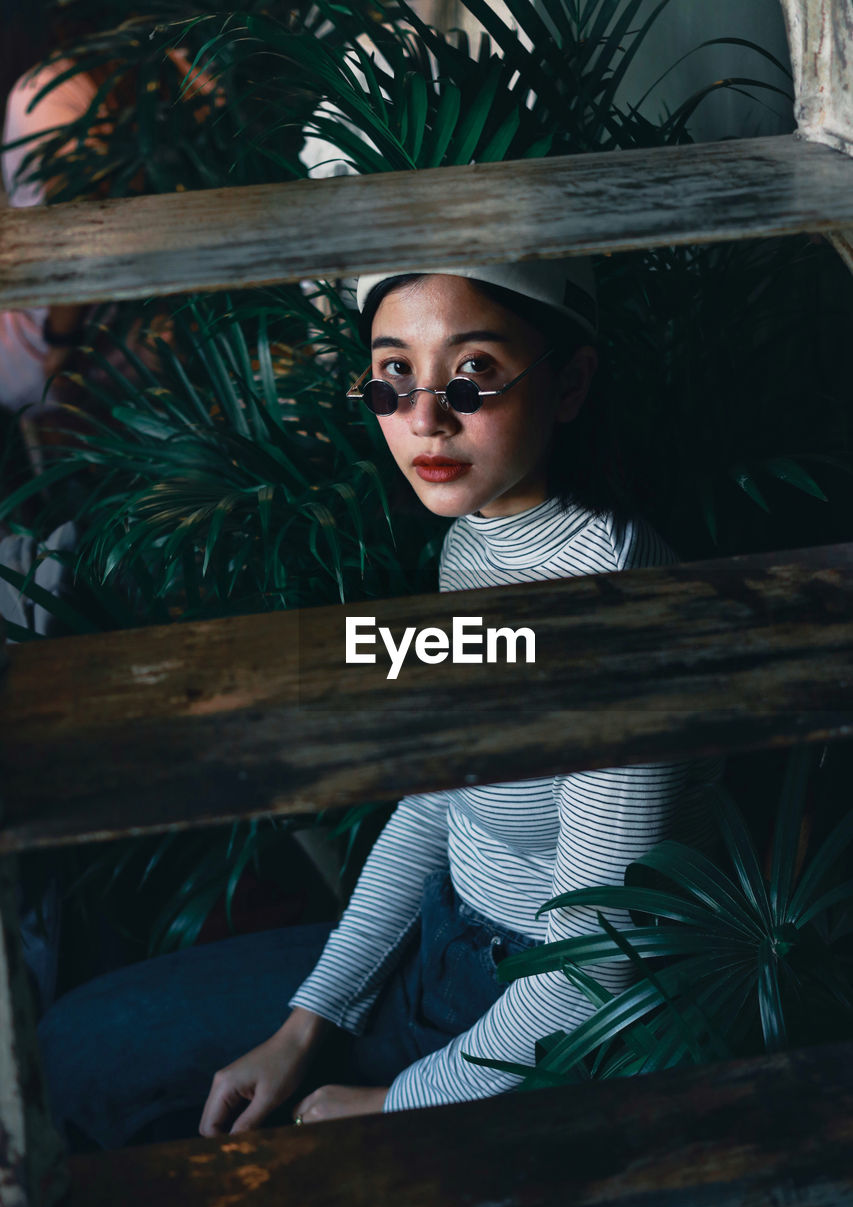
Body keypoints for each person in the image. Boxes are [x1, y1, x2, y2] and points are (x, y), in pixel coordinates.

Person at [37, 257, 720, 1147]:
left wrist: (389, 1105)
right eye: (395, 374)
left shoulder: (619, 607)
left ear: (570, 382)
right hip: (435, 943)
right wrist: (309, 1018)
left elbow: (596, 966)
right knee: (73, 1054)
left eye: (473, 372)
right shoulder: (475, 536)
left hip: (535, 1009)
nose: (424, 419)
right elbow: (437, 798)